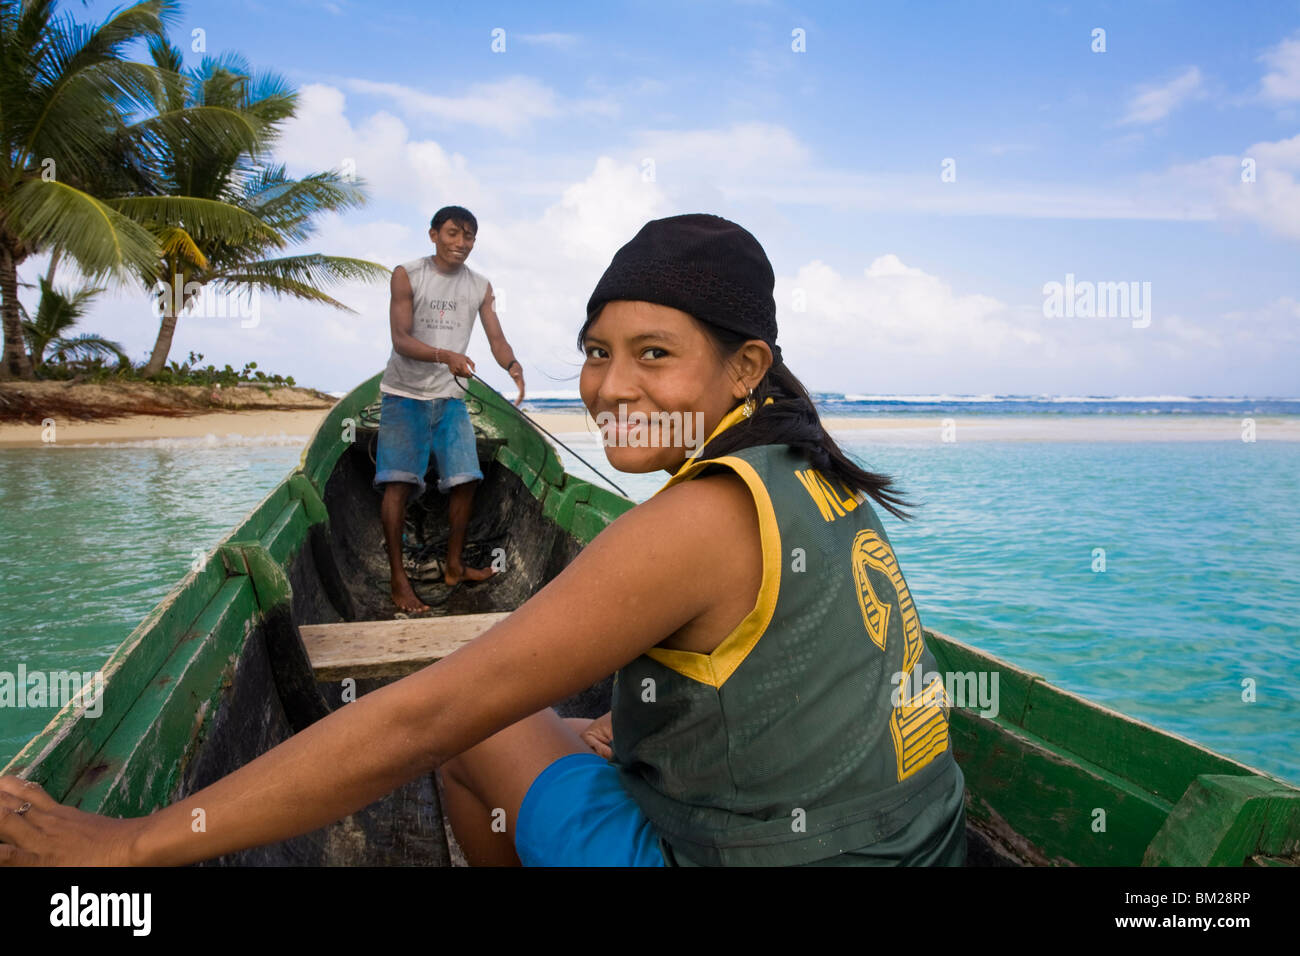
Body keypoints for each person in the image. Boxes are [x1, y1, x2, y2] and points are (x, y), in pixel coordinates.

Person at [0, 214, 965, 867]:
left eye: (655, 355)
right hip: (919, 843)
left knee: (478, 725)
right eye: (597, 352)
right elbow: (788, 685)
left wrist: (127, 847)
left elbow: (424, 720)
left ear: (744, 365)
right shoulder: (815, 475)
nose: (612, 388)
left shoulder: (697, 518)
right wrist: (633, 725)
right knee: (547, 720)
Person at [377, 205, 525, 611]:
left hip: (451, 397)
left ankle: (454, 566)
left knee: (465, 479)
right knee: (398, 483)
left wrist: (511, 364)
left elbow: (496, 337)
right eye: (453, 233)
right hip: (404, 394)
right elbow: (401, 339)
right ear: (433, 235)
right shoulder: (407, 274)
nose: (461, 244)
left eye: (469, 237)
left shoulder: (479, 285)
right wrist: (446, 355)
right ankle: (397, 580)